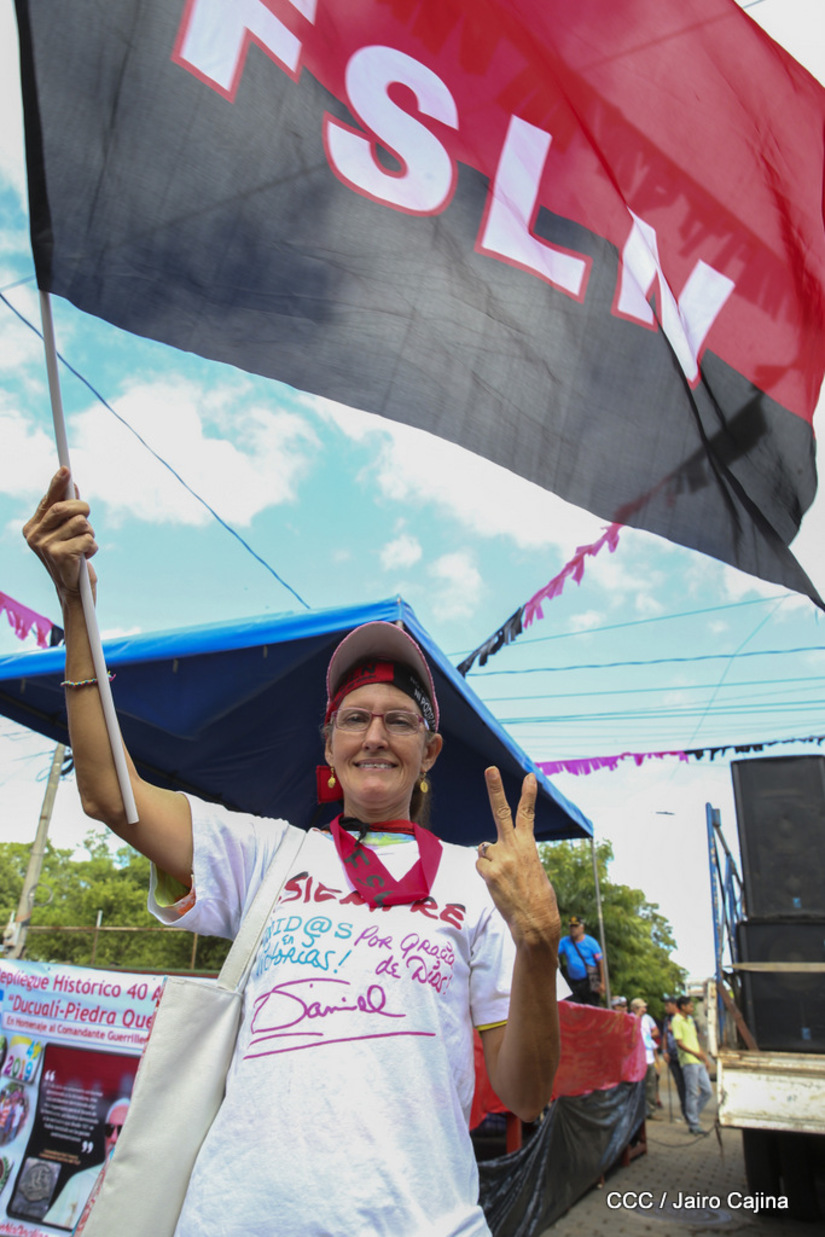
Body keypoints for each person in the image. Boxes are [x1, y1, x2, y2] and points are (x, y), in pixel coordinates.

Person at [24, 468, 562, 1237]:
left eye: (399, 720)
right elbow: (112, 795)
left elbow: (527, 1094)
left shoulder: (484, 885)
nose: (374, 735)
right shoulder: (267, 854)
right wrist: (77, 606)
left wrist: (537, 944)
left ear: (430, 750)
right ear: (329, 744)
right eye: (354, 718)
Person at [42, 1098, 130, 1230]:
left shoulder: (139, 1190)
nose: (113, 1138)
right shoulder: (79, 1181)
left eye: (121, 1130)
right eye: (109, 1129)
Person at [671, 995, 713, 1135]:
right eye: (690, 1006)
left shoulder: (690, 1020)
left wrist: (704, 1057)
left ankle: (692, 1116)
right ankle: (694, 1123)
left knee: (707, 1091)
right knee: (692, 1092)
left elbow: (695, 1040)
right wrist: (695, 1054)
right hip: (688, 1060)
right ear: (683, 1007)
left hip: (697, 1060)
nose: (692, 1008)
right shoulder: (677, 1020)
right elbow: (679, 1043)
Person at [557, 916, 604, 1005]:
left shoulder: (591, 943)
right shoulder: (565, 942)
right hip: (574, 982)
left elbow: (600, 963)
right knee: (574, 1007)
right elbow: (554, 952)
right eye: (571, 926)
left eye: (576, 926)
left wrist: (602, 983)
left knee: (591, 1007)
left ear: (582, 928)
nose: (573, 929)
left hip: (589, 981)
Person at [630, 997, 661, 1118]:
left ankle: (650, 1110)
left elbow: (656, 1032)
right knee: (638, 1086)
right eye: (641, 1008)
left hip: (649, 1056)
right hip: (637, 1058)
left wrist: (648, 1035)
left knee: (651, 1084)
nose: (643, 1010)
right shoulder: (631, 1018)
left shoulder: (647, 1019)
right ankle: (637, 1110)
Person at [662, 994, 687, 1121]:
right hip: (672, 1055)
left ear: (674, 1005)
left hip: (683, 1055)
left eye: (668, 1005)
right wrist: (664, 1051)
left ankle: (689, 1111)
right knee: (680, 1084)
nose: (666, 1008)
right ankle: (684, 1111)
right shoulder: (667, 1019)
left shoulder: (683, 1017)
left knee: (687, 1084)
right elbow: (665, 1036)